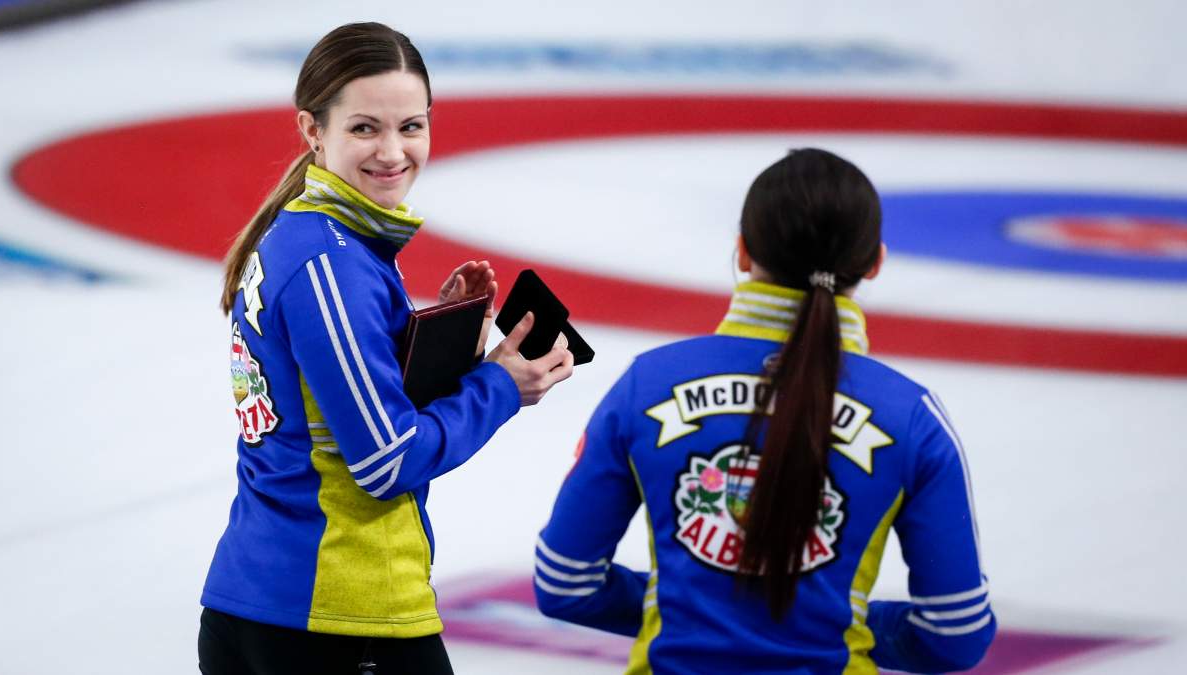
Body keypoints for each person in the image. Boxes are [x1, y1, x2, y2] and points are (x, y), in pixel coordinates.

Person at [199, 22, 574, 674]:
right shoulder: (332, 263)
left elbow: (334, 408)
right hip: (340, 619)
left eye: (412, 126)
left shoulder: (310, 240)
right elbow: (386, 461)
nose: (394, 151)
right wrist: (501, 386)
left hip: (270, 608)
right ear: (313, 130)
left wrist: (440, 344)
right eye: (365, 128)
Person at [533, 148, 995, 673]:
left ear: (744, 252)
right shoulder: (911, 418)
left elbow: (565, 584)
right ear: (874, 263)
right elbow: (955, 634)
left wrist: (693, 609)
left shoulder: (648, 384)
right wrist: (843, 622)